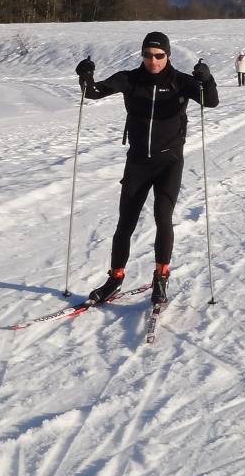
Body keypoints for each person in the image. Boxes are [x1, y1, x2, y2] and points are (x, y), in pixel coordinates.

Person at [75, 31, 219, 306]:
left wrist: (207, 79)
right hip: (138, 162)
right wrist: (85, 76)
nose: (152, 60)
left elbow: (210, 101)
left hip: (169, 163)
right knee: (125, 224)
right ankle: (115, 279)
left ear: (167, 56)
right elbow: (92, 93)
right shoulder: (130, 79)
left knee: (162, 219)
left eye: (158, 55)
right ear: (141, 55)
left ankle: (161, 278)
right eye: (147, 54)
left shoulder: (180, 82)